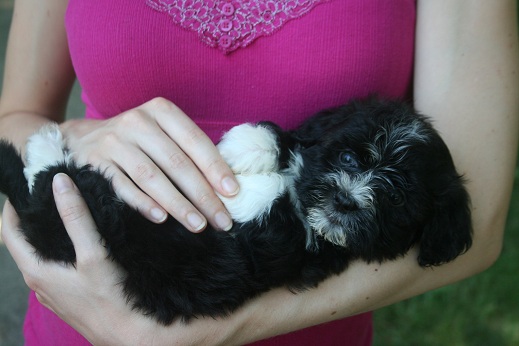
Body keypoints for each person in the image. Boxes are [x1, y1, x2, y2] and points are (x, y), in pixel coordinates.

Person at [1, 0, 518, 345]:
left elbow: (478, 217)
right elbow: (15, 119)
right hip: (82, 315)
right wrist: (74, 138)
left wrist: (202, 328)